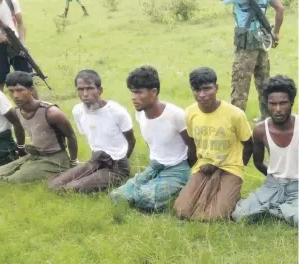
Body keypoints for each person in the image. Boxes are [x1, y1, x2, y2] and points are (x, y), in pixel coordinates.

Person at [206, 0, 284, 121]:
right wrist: (276, 33)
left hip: (246, 43)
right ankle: (267, 118)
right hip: (263, 39)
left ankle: (236, 122)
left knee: (240, 83)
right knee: (263, 81)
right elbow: (280, 8)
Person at [174, 67, 253, 221]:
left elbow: (248, 144)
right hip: (204, 166)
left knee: (213, 216)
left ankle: (233, 194)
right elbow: (192, 144)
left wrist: (238, 166)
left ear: (216, 88)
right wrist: (195, 168)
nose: (202, 95)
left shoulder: (235, 114)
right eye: (197, 90)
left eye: (207, 89)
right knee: (182, 210)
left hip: (230, 168)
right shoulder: (190, 113)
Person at [110, 66, 190, 214]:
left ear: (153, 92)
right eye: (132, 92)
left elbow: (193, 147)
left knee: (144, 199)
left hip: (177, 169)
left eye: (138, 92)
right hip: (155, 166)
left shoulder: (176, 115)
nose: (133, 97)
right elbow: (152, 143)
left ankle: (178, 188)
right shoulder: (140, 114)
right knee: (117, 195)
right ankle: (152, 186)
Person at [49, 70, 135, 193]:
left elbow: (131, 140)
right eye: (81, 89)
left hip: (117, 165)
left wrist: (121, 160)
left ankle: (118, 177)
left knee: (70, 189)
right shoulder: (78, 111)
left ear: (99, 91)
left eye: (89, 88)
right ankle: (95, 174)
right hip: (96, 159)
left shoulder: (117, 112)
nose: (85, 94)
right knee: (54, 184)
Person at [0, 72, 78, 184]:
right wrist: (20, 147)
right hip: (35, 155)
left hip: (55, 158)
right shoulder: (17, 112)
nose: (15, 95)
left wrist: (73, 162)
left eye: (20, 90)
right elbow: (18, 127)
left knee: (12, 180)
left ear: (31, 90)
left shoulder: (51, 113)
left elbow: (71, 136)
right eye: (11, 91)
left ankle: (58, 170)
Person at [233, 75, 298, 227]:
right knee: (239, 214)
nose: (278, 109)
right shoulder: (261, 130)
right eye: (272, 104)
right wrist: (274, 178)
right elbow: (257, 162)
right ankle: (280, 208)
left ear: (292, 103)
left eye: (283, 103)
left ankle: (275, 209)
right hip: (273, 184)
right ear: (266, 104)